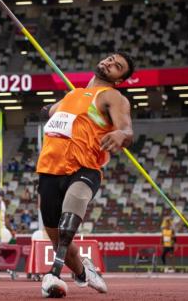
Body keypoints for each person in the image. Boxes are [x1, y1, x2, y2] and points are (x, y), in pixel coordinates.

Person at [37, 52, 135, 297]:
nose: (111, 63)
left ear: (119, 79)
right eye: (111, 59)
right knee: (60, 239)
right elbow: (51, 114)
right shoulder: (72, 94)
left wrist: (121, 135)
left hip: (84, 168)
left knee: (70, 219)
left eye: (118, 66)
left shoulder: (112, 96)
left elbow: (126, 128)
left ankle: (53, 276)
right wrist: (46, 109)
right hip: (49, 170)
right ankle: (82, 272)